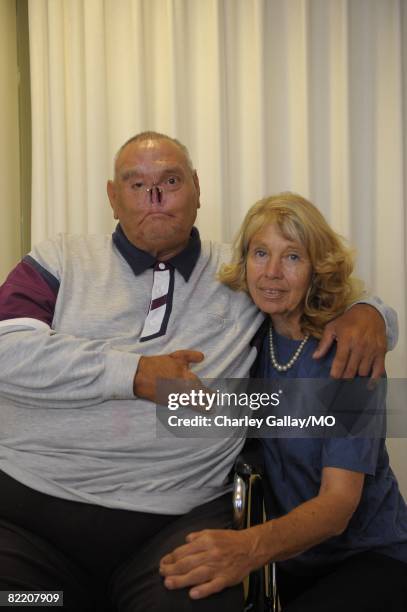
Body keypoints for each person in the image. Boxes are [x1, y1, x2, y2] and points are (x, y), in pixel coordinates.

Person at [0, 133, 397, 611]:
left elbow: (312, 279)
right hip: (31, 524)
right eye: (136, 184)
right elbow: (7, 348)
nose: (155, 196)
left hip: (173, 527)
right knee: (26, 603)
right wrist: (135, 373)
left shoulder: (237, 272)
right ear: (111, 196)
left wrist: (369, 313)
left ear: (197, 188)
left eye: (170, 180)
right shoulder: (60, 257)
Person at [159, 192, 407, 611]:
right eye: (261, 253)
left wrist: (247, 547)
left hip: (369, 556)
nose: (272, 272)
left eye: (292, 257)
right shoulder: (251, 336)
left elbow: (337, 506)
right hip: (290, 559)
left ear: (317, 269)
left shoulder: (349, 358)